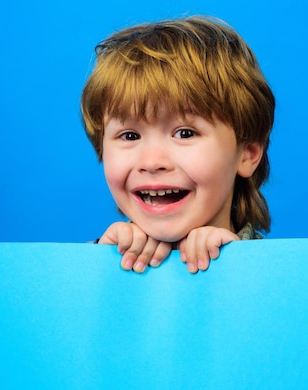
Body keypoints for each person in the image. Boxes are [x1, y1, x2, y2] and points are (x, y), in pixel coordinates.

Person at [80, 16, 274, 273]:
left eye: (184, 133)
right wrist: (98, 268)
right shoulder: (92, 260)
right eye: (130, 136)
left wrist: (241, 266)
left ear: (247, 154)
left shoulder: (280, 275)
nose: (152, 162)